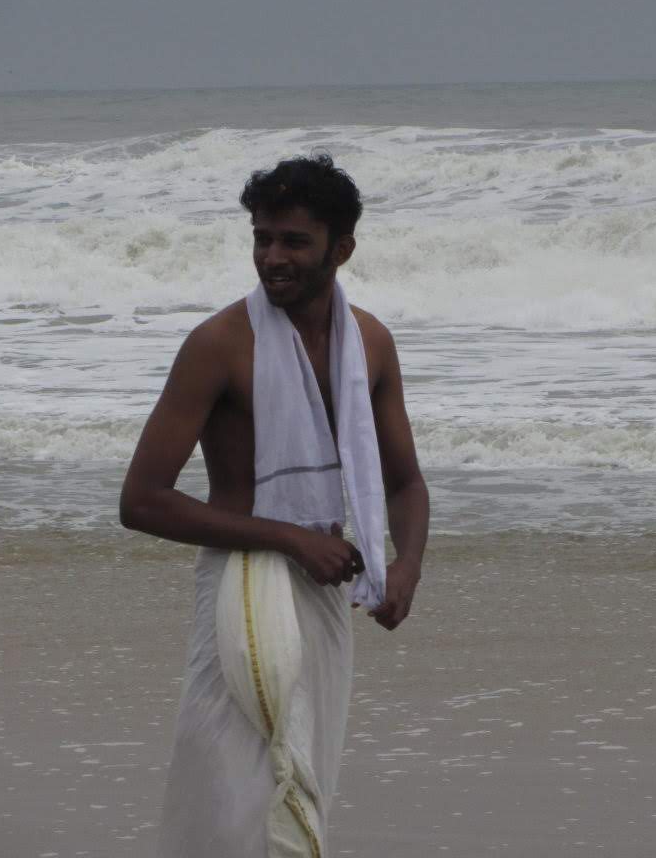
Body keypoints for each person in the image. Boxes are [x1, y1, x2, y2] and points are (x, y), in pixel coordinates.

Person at [119, 154, 429, 857]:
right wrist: (288, 538)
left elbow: (406, 482)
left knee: (302, 776)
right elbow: (141, 500)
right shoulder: (218, 345)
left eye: (293, 241)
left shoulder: (370, 344)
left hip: (321, 586)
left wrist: (405, 563)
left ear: (342, 248)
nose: (271, 257)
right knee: (225, 787)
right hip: (241, 583)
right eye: (262, 238)